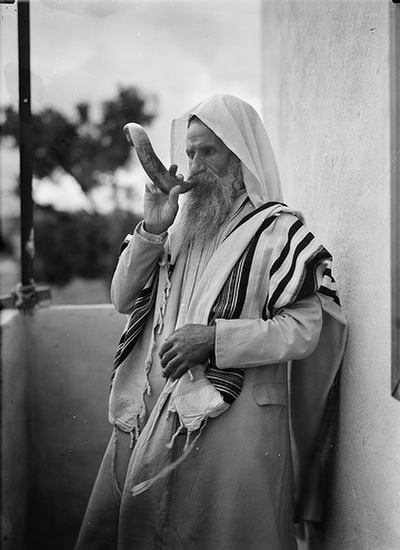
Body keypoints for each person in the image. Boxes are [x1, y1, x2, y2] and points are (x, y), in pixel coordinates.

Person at [75, 94, 348, 550]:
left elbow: (305, 329)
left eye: (208, 152)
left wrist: (216, 339)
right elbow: (122, 298)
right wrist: (151, 229)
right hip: (160, 411)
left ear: (238, 158)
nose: (194, 165)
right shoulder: (173, 228)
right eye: (189, 152)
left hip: (238, 427)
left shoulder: (279, 231)